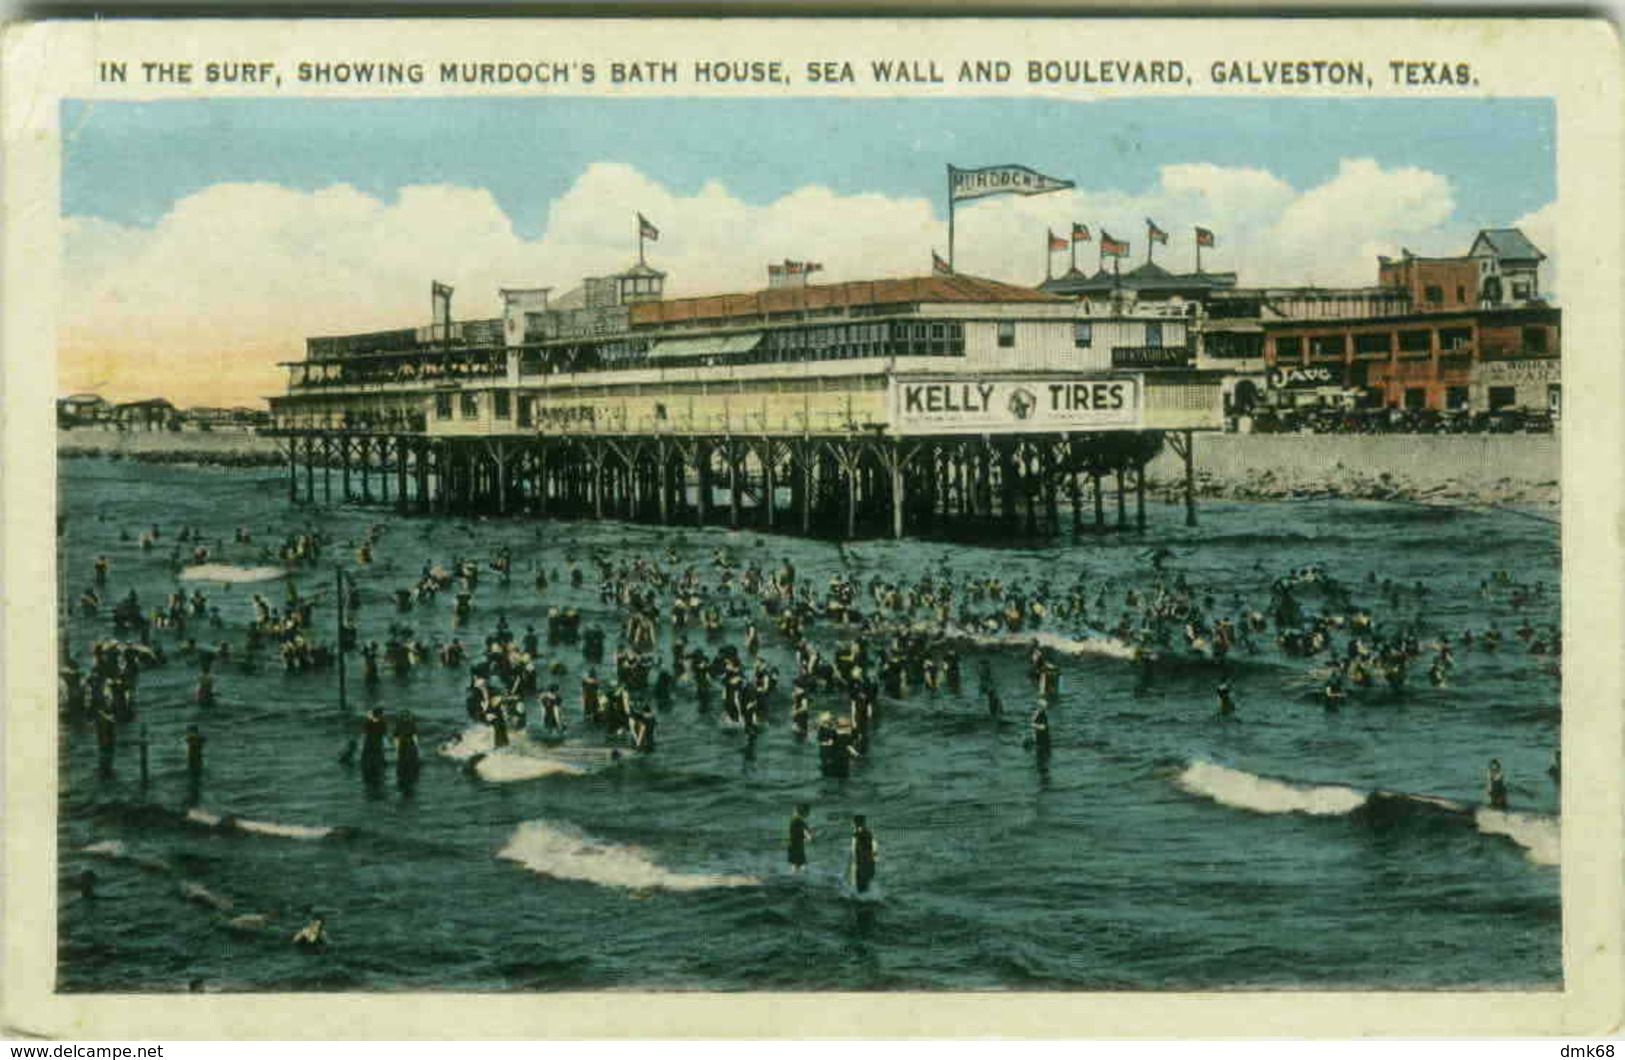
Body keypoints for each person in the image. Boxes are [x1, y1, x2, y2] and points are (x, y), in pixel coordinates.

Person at [849, 815, 878, 896]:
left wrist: (851, 868)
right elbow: (875, 851)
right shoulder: (869, 833)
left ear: (856, 823)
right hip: (869, 864)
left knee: (860, 891)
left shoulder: (856, 835)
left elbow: (853, 852)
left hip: (861, 865)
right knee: (866, 889)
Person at [787, 804, 814, 874]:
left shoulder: (795, 821)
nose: (793, 812)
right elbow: (809, 837)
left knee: (794, 867)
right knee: (801, 866)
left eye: (794, 811)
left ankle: (794, 880)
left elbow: (806, 835)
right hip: (797, 847)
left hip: (792, 847)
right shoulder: (799, 822)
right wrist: (806, 838)